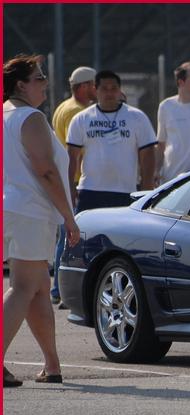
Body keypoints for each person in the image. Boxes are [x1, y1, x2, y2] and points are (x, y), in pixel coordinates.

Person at [3, 54, 80, 387]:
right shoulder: (29, 117)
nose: (46, 82)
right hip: (31, 211)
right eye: (39, 77)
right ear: (21, 84)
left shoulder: (6, 115)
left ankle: (52, 365)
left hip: (16, 209)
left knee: (37, 289)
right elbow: (45, 170)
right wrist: (68, 216)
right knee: (24, 288)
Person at [67, 70, 157, 213]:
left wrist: (147, 191)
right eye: (104, 89)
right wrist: (70, 190)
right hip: (91, 191)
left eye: (113, 88)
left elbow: (148, 156)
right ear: (95, 90)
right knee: (88, 234)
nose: (109, 93)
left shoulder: (136, 117)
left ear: (120, 90)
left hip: (126, 191)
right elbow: (71, 158)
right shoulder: (81, 119)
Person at [50, 66, 96, 307]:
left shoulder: (62, 108)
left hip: (64, 180)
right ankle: (61, 288)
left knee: (64, 238)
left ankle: (58, 288)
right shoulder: (78, 112)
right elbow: (75, 150)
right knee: (70, 237)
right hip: (74, 181)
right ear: (84, 86)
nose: (96, 90)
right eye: (93, 85)